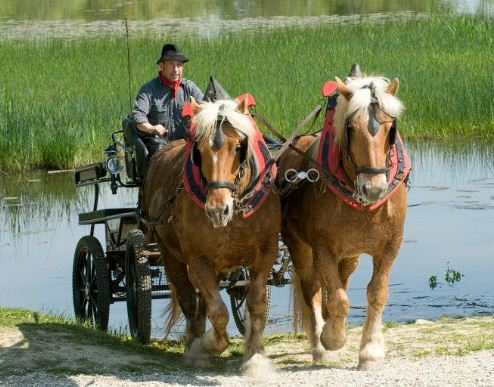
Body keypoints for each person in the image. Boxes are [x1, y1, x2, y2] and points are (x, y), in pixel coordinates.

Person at [131, 43, 203, 158]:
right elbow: (138, 117)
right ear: (161, 65)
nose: (175, 70)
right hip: (159, 145)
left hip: (185, 144)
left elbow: (205, 106)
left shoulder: (190, 88)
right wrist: (152, 128)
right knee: (165, 156)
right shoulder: (149, 89)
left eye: (179, 65)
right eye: (171, 64)